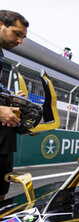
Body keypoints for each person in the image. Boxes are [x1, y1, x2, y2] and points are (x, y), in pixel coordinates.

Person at [0, 10, 29, 201]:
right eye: (17, 33)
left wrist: (9, 97)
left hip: (3, 145)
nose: (20, 41)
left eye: (23, 37)